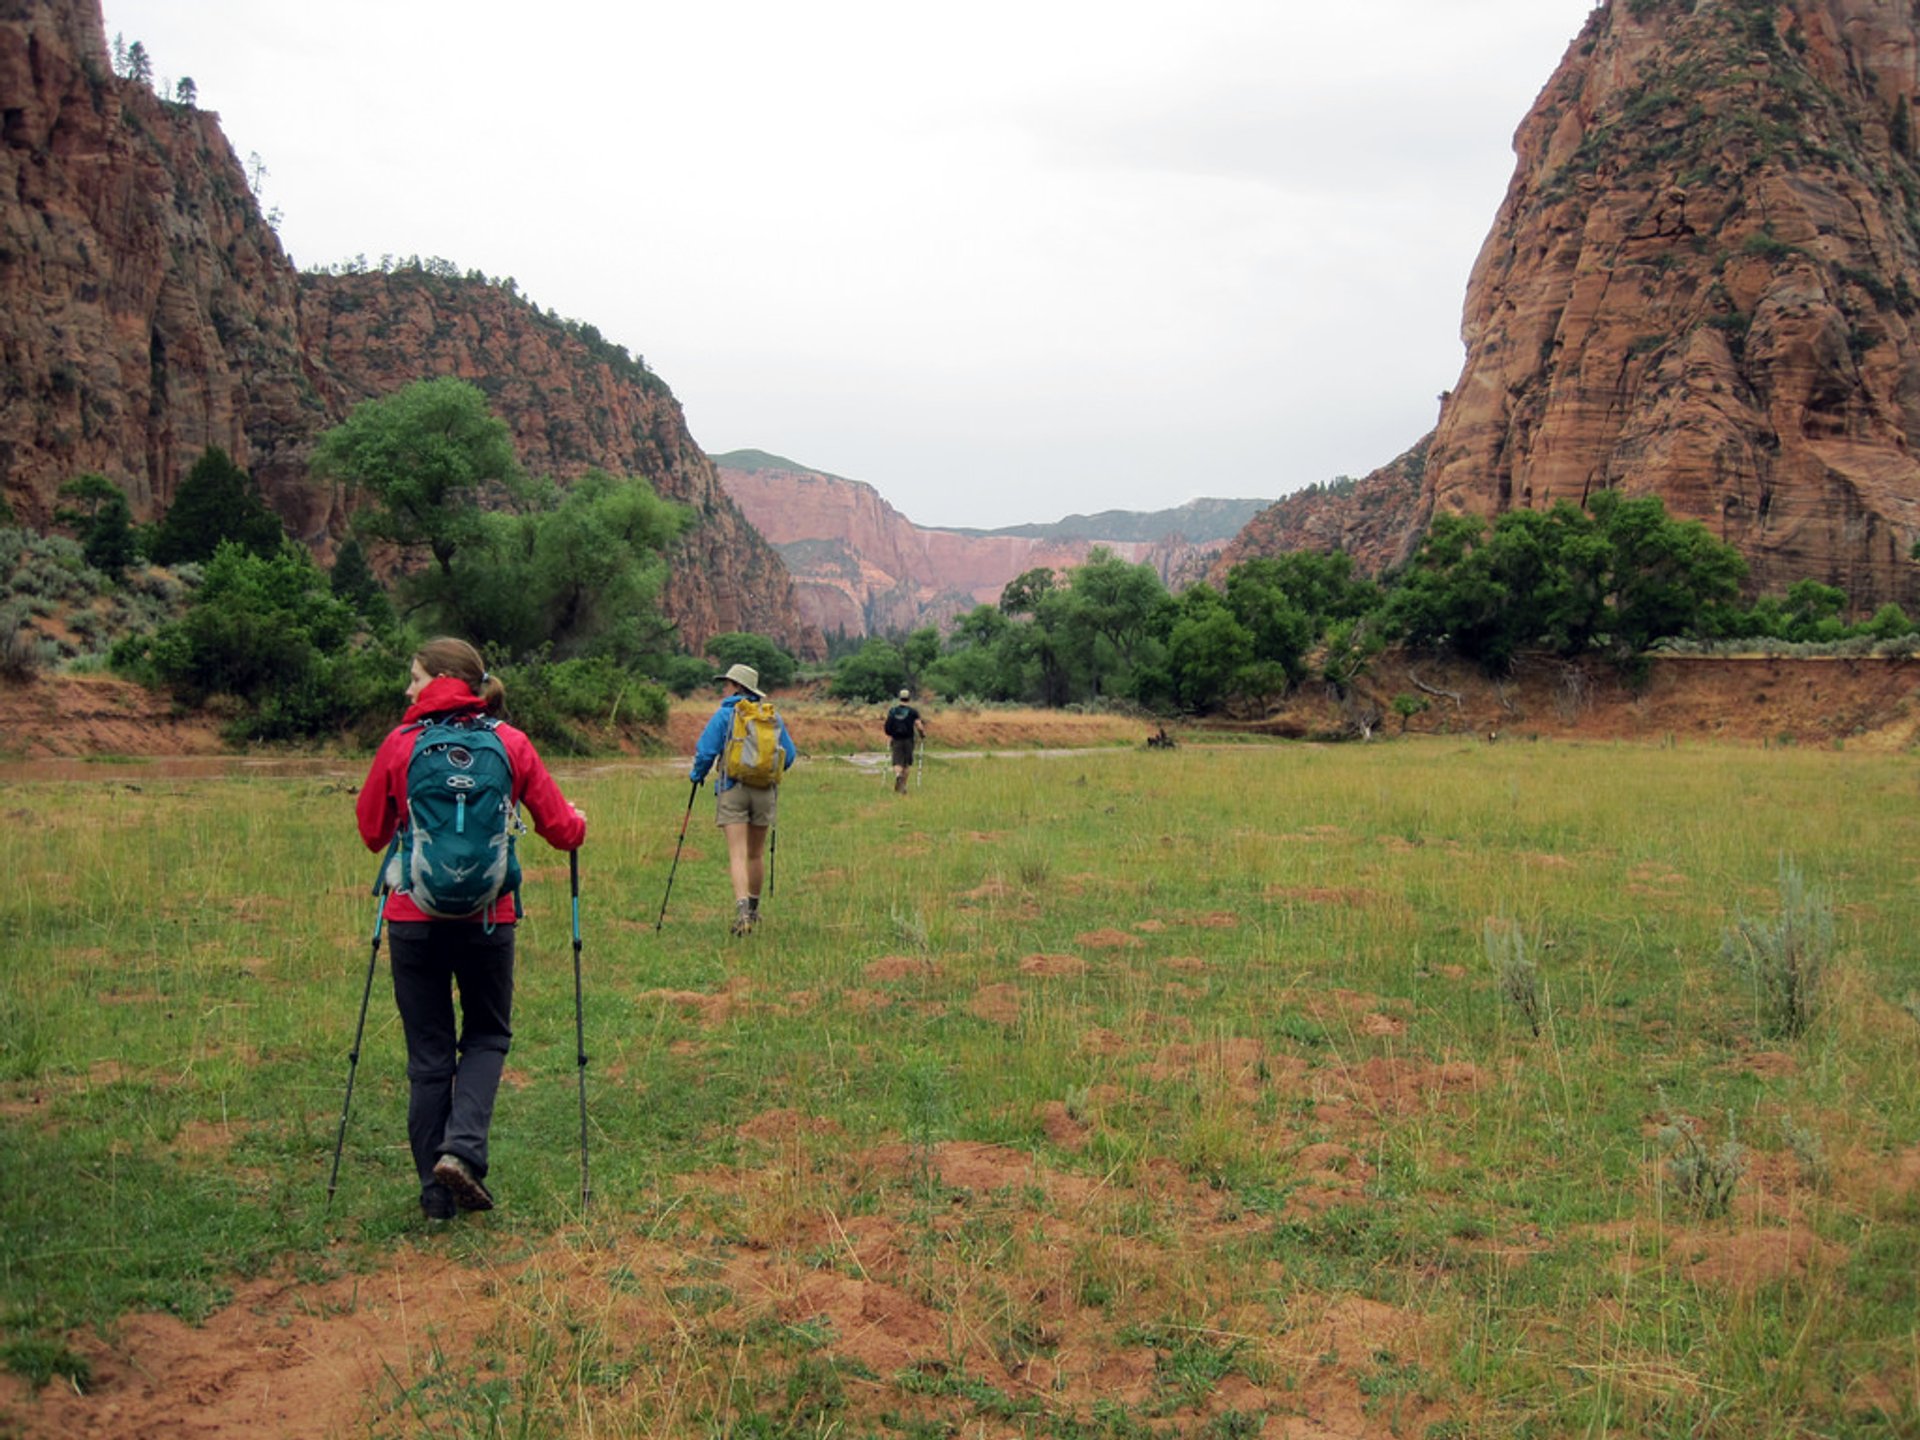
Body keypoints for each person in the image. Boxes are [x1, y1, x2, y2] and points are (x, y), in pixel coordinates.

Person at [355, 637, 586, 1221]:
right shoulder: (510, 743)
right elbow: (562, 830)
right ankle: (462, 1150)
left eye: (414, 677)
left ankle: (436, 1200)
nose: (407, 689)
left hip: (412, 917)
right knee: (486, 1035)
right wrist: (579, 820)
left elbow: (371, 831)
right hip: (488, 918)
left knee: (428, 1057)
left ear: (438, 679)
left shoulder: (401, 744)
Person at [690, 662, 796, 936]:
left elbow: (705, 751)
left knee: (737, 853)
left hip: (732, 787)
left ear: (737, 687)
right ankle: (754, 909)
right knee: (755, 853)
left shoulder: (725, 714)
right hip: (764, 791)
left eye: (728, 683)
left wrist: (697, 775)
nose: (724, 687)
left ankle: (741, 915)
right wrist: (766, 773)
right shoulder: (772, 716)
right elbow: (790, 755)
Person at [885, 687, 925, 794]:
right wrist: (922, 735)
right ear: (909, 698)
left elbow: (888, 726)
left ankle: (898, 775)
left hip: (896, 739)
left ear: (900, 698)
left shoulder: (893, 711)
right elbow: (919, 726)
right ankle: (904, 785)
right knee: (907, 764)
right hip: (908, 740)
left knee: (897, 761)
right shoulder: (912, 712)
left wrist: (889, 735)